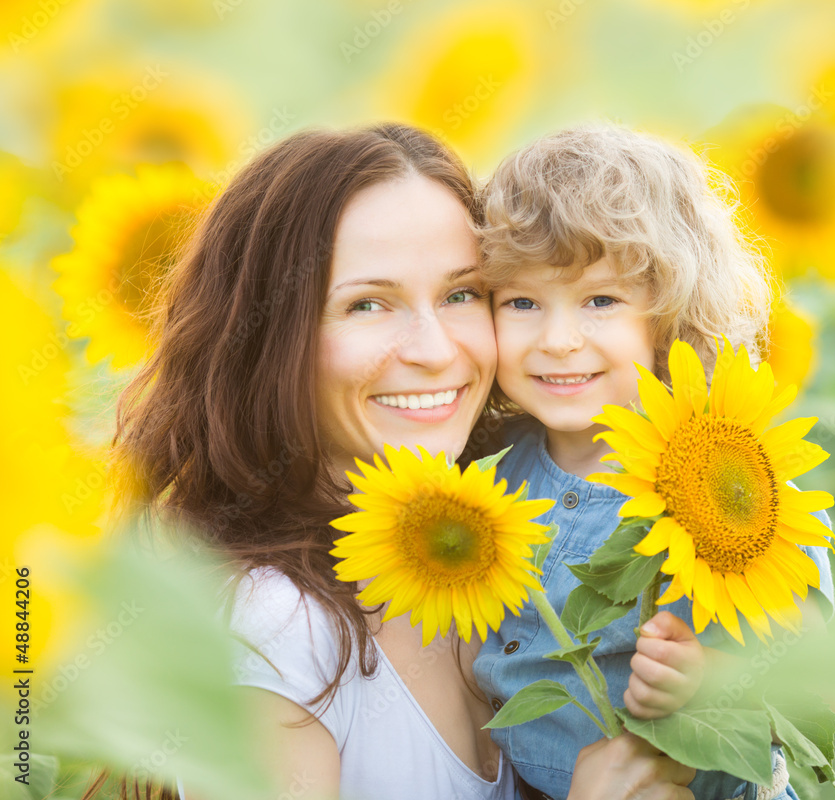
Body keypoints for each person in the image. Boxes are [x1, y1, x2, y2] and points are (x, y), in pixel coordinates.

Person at [112, 124, 696, 800]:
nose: (435, 348)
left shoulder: (508, 548)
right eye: (368, 304)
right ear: (271, 340)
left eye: (461, 295)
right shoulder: (281, 630)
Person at [472, 124, 835, 800]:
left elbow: (817, 697)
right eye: (521, 301)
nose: (556, 340)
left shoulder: (732, 485)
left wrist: (714, 687)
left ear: (669, 315)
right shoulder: (489, 478)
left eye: (600, 300)